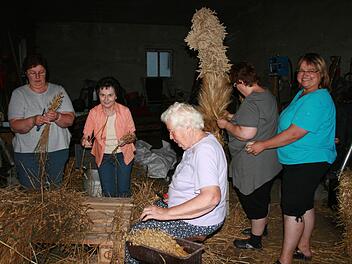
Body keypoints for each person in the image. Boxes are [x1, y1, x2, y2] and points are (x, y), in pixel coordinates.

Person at [246, 53, 336, 264]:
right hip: (303, 158)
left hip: (306, 161)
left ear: (321, 74)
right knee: (304, 204)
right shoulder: (304, 94)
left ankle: (285, 259)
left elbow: (295, 133)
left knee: (292, 207)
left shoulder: (318, 98)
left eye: (311, 71)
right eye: (302, 71)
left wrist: (263, 144)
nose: (305, 75)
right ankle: (304, 248)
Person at [125, 102, 228, 263]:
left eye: (172, 132)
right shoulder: (199, 141)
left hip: (198, 222)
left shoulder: (204, 152)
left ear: (188, 127)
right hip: (195, 215)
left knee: (135, 236)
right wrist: (175, 196)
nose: (171, 137)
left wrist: (166, 213)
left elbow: (211, 198)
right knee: (149, 213)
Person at [217, 62, 282, 250]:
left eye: (235, 85)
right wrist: (233, 117)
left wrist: (226, 125)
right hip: (269, 160)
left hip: (254, 162)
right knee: (263, 195)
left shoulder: (252, 101)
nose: (235, 89)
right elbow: (255, 120)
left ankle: (255, 241)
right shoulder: (267, 95)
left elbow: (247, 133)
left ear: (240, 82)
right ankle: (262, 228)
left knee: (253, 199)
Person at [8, 53, 75, 189]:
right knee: (32, 191)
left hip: (57, 149)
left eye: (41, 72)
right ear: (26, 74)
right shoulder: (19, 94)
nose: (37, 77)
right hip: (27, 153)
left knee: (55, 191)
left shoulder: (58, 91)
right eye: (33, 73)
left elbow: (70, 120)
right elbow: (15, 126)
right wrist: (32, 120)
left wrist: (57, 117)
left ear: (46, 72)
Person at [82, 76, 136, 197]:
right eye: (102, 95)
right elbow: (86, 134)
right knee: (108, 191)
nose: (106, 99)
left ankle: (123, 214)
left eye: (110, 95)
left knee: (123, 190)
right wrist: (85, 140)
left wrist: (126, 140)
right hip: (104, 155)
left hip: (123, 154)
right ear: (98, 95)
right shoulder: (93, 112)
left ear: (116, 96)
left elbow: (132, 135)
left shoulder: (125, 111)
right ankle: (110, 214)